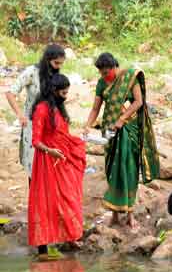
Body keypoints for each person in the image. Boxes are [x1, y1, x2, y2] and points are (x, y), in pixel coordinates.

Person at [84, 53, 160, 230]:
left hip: (128, 130)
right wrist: (88, 125)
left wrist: (122, 119)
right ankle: (115, 215)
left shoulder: (129, 78)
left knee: (128, 169)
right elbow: (96, 107)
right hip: (110, 131)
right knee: (112, 170)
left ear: (114, 67)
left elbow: (139, 102)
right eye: (101, 73)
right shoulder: (102, 83)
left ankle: (130, 215)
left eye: (106, 72)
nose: (104, 76)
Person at [27, 74, 86, 258]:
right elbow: (36, 141)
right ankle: (42, 248)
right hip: (47, 161)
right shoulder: (41, 109)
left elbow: (61, 132)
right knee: (46, 202)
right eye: (63, 92)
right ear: (53, 91)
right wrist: (51, 151)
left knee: (69, 197)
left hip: (63, 158)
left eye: (67, 92)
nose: (66, 96)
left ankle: (69, 236)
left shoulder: (58, 108)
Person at [5, 44, 66, 178]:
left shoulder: (56, 75)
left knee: (49, 166)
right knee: (33, 166)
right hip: (32, 126)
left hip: (50, 126)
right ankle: (35, 198)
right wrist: (20, 115)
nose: (58, 67)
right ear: (47, 59)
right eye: (56, 63)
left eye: (61, 64)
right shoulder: (32, 72)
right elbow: (10, 93)